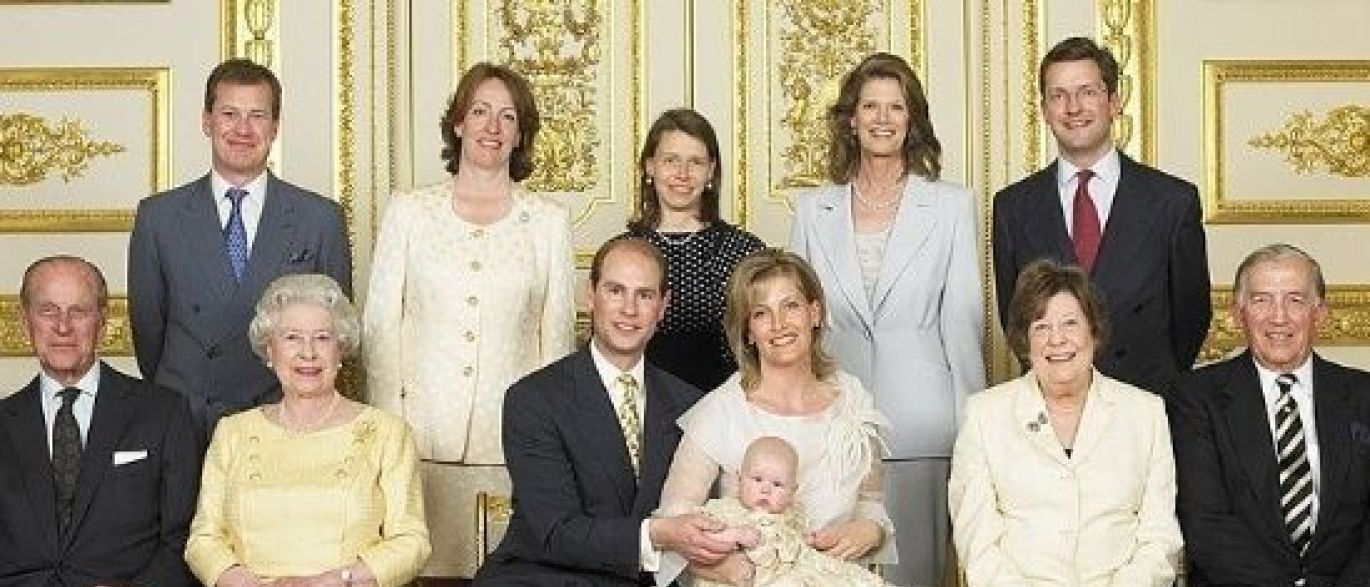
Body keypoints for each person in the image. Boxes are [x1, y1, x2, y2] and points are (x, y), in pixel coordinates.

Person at [363, 61, 576, 578]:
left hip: (509, 447)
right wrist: (392, 433)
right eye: (480, 111)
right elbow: (379, 328)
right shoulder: (409, 211)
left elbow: (557, 341)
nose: (492, 127)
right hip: (418, 441)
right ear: (458, 123)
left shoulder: (548, 222)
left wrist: (545, 442)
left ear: (520, 134)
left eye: (508, 116)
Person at [788, 51, 983, 586]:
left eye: (895, 107)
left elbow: (963, 327)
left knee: (915, 577)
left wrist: (972, 433)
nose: (882, 118)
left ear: (912, 118)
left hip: (922, 431)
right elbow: (798, 328)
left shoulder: (952, 207)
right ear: (850, 118)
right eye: (870, 106)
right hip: (831, 429)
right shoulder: (813, 210)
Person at [473, 237, 732, 586]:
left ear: (663, 306)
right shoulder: (533, 400)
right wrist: (656, 535)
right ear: (590, 295)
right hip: (546, 578)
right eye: (615, 291)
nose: (629, 309)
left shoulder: (694, 405)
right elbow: (557, 532)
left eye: (645, 295)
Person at [128, 58, 353, 433]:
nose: (243, 129)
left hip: (282, 421)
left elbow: (336, 334)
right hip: (186, 421)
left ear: (275, 127)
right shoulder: (158, 217)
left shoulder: (320, 219)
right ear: (207, 121)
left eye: (257, 116)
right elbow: (148, 335)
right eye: (229, 114)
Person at [656, 248, 896, 585]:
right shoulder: (720, 410)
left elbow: (871, 501)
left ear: (815, 313)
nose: (779, 324)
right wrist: (730, 570)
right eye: (761, 313)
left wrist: (870, 531)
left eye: (791, 306)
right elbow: (673, 524)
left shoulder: (851, 399)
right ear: (748, 332)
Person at [992, 36, 1210, 394]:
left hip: (1145, 401)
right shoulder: (1013, 207)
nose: (1073, 107)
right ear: (1044, 110)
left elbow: (1192, 317)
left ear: (1113, 102)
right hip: (1052, 401)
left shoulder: (1173, 201)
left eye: (1087, 92)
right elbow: (1015, 320)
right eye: (1058, 95)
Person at [948, 258, 1181, 587]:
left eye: (1070, 323)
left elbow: (1160, 539)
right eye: (1041, 327)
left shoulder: (1145, 414)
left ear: (1093, 332)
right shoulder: (984, 415)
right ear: (1025, 341)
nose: (1056, 339)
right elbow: (978, 543)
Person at [185, 273, 430, 587]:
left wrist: (336, 580)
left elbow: (412, 542)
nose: (308, 352)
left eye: (322, 338)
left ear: (340, 350)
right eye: (292, 338)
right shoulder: (232, 433)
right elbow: (203, 540)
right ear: (270, 351)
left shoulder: (388, 433)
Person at [1169, 244, 1370, 587]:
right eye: (1261, 300)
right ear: (1239, 314)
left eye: (1295, 300)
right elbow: (1205, 523)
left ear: (1320, 313)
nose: (1279, 317)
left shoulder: (1363, 395)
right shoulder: (1195, 398)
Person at [0, 255, 203, 587]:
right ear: (25, 323)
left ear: (103, 323)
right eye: (48, 311)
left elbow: (186, 537)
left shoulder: (164, 413)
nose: (63, 327)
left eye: (78, 311)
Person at [620, 108, 765, 391]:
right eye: (671, 160)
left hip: (725, 403)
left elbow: (762, 345)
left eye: (695, 162)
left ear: (711, 170)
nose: (682, 174)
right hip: (638, 403)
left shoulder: (744, 252)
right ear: (650, 166)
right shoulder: (623, 252)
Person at [694, 436, 893, 587]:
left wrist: (812, 540)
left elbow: (798, 541)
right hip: (747, 575)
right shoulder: (727, 510)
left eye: (777, 484)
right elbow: (704, 538)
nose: (765, 489)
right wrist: (736, 535)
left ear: (792, 492)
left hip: (789, 570)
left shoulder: (791, 514)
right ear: (739, 480)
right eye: (757, 479)